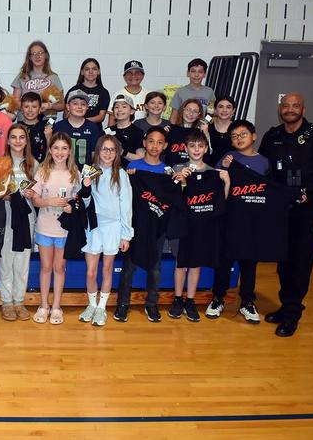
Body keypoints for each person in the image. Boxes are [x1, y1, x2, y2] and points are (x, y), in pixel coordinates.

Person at [258, 93, 313, 337]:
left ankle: (293, 314)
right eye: (286, 106)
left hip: (309, 211)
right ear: (280, 109)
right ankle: (286, 306)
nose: (290, 109)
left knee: (301, 263)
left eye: (295, 106)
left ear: (303, 109)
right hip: (281, 212)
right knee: (283, 262)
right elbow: (263, 171)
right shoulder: (272, 136)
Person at [206, 119, 270, 323]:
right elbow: (214, 183)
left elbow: (269, 190)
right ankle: (218, 298)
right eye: (234, 136)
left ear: (254, 136)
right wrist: (222, 169)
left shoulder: (264, 162)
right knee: (224, 261)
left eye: (243, 134)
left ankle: (248, 301)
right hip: (229, 218)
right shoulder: (228, 157)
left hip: (253, 221)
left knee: (249, 263)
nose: (239, 138)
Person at [168, 130, 229, 323]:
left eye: (200, 146)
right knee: (181, 264)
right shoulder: (177, 168)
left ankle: (191, 300)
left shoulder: (212, 173)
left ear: (205, 148)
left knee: (195, 263)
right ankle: (177, 299)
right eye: (192, 146)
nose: (196, 149)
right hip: (181, 225)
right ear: (186, 149)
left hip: (202, 225)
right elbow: (171, 198)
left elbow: (221, 201)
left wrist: (226, 182)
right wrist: (181, 181)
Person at [116, 126, 170, 323]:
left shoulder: (167, 171)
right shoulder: (133, 168)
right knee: (129, 266)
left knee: (155, 267)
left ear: (164, 146)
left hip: (157, 227)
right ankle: (123, 303)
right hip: (135, 225)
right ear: (144, 143)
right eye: (151, 141)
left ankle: (151, 304)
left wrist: (178, 181)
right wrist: (130, 176)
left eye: (159, 142)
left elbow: (173, 199)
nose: (154, 146)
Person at [79, 135, 133, 327]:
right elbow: (83, 202)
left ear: (116, 153)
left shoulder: (122, 174)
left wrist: (126, 234)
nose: (108, 153)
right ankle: (92, 305)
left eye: (112, 149)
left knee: (107, 269)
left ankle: (102, 308)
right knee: (91, 272)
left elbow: (126, 206)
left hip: (113, 227)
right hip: (93, 227)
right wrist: (84, 187)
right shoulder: (88, 172)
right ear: (97, 151)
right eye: (104, 149)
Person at [31, 132, 81, 325]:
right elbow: (35, 200)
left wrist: (71, 208)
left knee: (59, 268)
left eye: (64, 148)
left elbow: (79, 201)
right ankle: (43, 305)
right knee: (45, 267)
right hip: (44, 227)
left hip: (64, 231)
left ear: (69, 151)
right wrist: (47, 201)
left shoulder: (74, 173)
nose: (60, 152)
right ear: (50, 150)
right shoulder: (42, 171)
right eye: (56, 148)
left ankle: (57, 306)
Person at [0, 124, 38, 321]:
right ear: (7, 140)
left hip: (27, 218)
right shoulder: (0, 164)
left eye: (21, 137)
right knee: (6, 260)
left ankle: (19, 301)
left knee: (22, 260)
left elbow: (39, 194)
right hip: (6, 217)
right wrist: (5, 195)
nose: (17, 141)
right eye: (13, 137)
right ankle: (6, 302)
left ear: (26, 141)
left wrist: (32, 194)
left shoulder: (34, 165)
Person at [10, 40, 64, 117]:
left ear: (46, 55)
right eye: (34, 54)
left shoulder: (54, 77)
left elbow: (62, 105)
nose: (37, 56)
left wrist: (49, 106)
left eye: (40, 53)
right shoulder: (22, 76)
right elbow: (15, 102)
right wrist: (30, 108)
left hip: (48, 120)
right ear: (30, 57)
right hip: (25, 120)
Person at [53, 90, 100, 168]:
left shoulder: (93, 128)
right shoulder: (59, 127)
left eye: (83, 104)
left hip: (84, 174)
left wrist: (90, 175)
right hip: (63, 172)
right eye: (75, 104)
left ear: (87, 107)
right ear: (68, 107)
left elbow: (94, 155)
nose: (79, 107)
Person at [64, 57, 109, 126]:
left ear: (98, 72)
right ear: (82, 72)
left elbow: (101, 117)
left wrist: (82, 121)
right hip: (73, 129)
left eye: (94, 69)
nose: (91, 72)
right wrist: (78, 121)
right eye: (87, 69)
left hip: (94, 130)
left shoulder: (104, 92)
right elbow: (66, 115)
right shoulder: (73, 91)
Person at [169, 58, 215, 124]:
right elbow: (174, 116)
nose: (196, 75)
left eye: (200, 72)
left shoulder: (209, 92)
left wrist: (205, 123)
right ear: (188, 73)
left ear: (204, 74)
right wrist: (173, 130)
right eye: (193, 71)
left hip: (201, 130)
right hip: (183, 129)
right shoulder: (180, 92)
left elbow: (211, 113)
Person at [165, 98, 209, 166]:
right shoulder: (170, 129)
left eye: (195, 111)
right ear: (182, 111)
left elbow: (207, 156)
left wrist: (206, 134)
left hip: (193, 172)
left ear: (199, 115)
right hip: (172, 172)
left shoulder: (200, 132)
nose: (191, 114)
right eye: (188, 110)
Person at [105, 95, 145, 166]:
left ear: (132, 111)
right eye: (116, 107)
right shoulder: (107, 131)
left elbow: (141, 158)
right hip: (109, 171)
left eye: (124, 106)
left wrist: (122, 152)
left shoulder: (138, 132)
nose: (119, 110)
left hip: (131, 171)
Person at [108, 60, 151, 125]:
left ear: (143, 75)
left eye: (137, 73)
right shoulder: (118, 94)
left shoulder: (149, 95)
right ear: (124, 76)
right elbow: (111, 121)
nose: (133, 76)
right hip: (122, 132)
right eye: (129, 73)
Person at [18, 91, 52, 163]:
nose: (30, 110)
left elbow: (52, 151)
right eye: (26, 107)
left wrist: (49, 137)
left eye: (34, 107)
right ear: (21, 109)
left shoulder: (46, 127)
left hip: (41, 168)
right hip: (21, 168)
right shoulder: (17, 127)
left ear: (40, 109)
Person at [207, 95, 236, 166]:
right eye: (220, 107)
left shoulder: (238, 129)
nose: (224, 110)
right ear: (215, 110)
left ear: (233, 111)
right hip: (209, 171)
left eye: (228, 107)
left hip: (231, 172)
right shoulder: (206, 128)